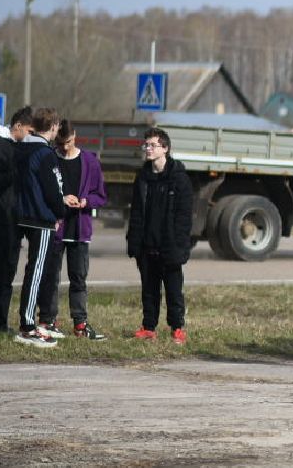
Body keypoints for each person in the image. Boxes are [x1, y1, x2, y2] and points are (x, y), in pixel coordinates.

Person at [38, 121, 110, 340]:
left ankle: (80, 324)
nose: (64, 147)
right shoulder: (50, 158)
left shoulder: (90, 161)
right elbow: (41, 190)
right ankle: (47, 320)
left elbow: (101, 196)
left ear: (75, 136)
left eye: (68, 142)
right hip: (55, 228)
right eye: (60, 143)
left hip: (79, 230)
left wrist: (86, 201)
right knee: (51, 277)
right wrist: (61, 199)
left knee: (78, 278)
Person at [125, 127, 194, 343]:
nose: (148, 148)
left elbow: (184, 217)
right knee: (149, 290)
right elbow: (136, 212)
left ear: (165, 148)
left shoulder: (179, 179)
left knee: (174, 290)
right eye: (146, 145)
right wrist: (134, 242)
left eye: (152, 145)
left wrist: (179, 246)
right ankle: (148, 327)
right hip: (147, 245)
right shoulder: (142, 178)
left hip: (170, 246)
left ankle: (177, 328)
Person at [12, 108, 68, 349]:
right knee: (36, 272)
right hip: (40, 218)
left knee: (30, 271)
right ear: (53, 126)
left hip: (21, 214)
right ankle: (27, 327)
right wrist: (60, 212)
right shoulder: (45, 153)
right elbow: (52, 190)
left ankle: (30, 322)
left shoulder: (20, 148)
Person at [0, 105, 32, 334]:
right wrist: (16, 171)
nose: (29, 136)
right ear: (18, 126)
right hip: (0, 220)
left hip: (14, 220)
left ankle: (1, 321)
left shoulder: (15, 147)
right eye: (29, 131)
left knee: (8, 272)